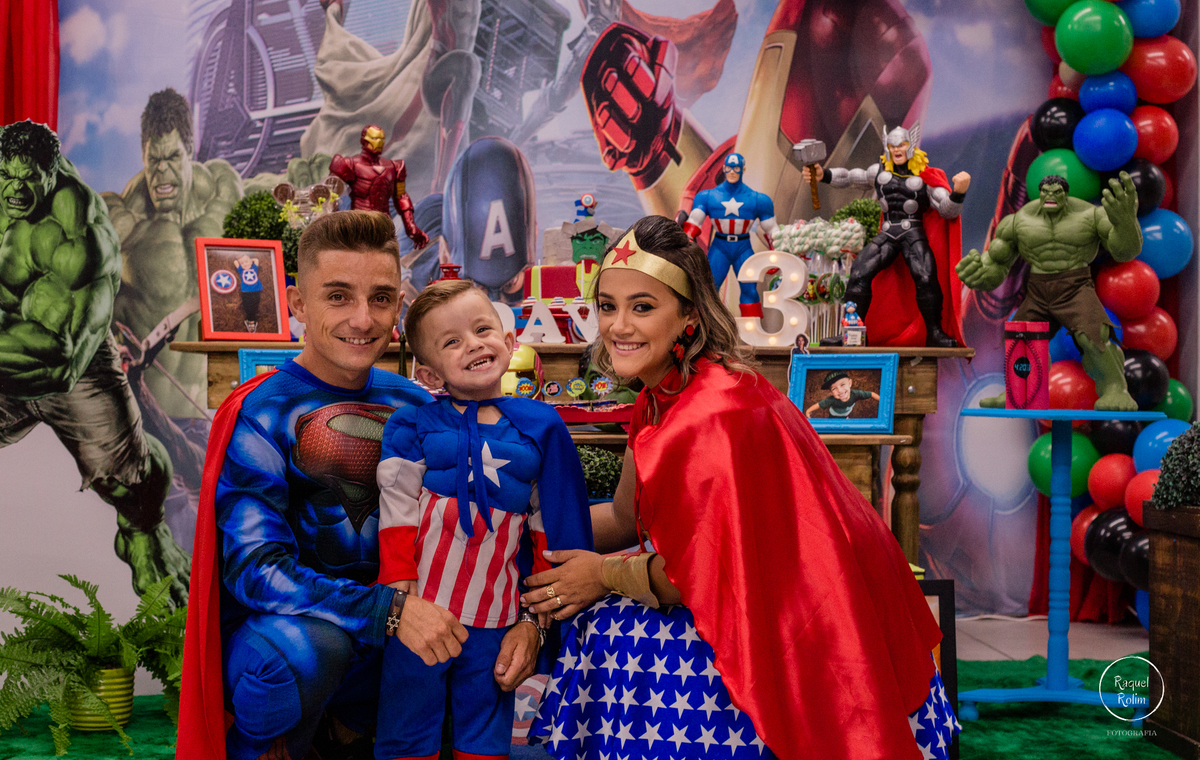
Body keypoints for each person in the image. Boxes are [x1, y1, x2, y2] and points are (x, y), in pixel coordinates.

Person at [522, 215, 959, 759]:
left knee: (617, 636)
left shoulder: (712, 410)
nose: (619, 326)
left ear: (689, 315)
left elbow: (695, 574)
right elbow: (622, 517)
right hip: (767, 595)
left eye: (642, 307)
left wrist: (602, 575)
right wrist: (525, 531)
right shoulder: (660, 395)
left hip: (808, 622)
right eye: (608, 307)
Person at [178, 211, 526, 760]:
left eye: (381, 298)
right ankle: (275, 744)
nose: (363, 320)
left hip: (407, 637)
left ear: (399, 305)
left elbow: (496, 520)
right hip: (304, 639)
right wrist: (387, 610)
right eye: (338, 296)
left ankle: (360, 731)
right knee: (301, 652)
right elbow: (254, 568)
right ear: (298, 304)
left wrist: (532, 615)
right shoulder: (261, 412)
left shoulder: (421, 405)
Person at [373, 280, 593, 758]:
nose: (473, 344)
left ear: (509, 342)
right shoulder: (412, 425)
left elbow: (549, 525)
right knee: (406, 727)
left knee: (484, 735)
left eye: (482, 330)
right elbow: (397, 502)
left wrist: (537, 612)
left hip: (496, 617)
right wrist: (397, 578)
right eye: (452, 341)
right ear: (429, 373)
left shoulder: (540, 427)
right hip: (421, 612)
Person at [0, 120, 189, 607]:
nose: (16, 190)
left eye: (29, 179)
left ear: (50, 173)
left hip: (73, 361)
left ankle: (145, 530)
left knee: (127, 479)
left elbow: (59, 357)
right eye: (6, 177)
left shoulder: (77, 228)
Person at [103, 87, 243, 422]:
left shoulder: (223, 193)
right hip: (149, 421)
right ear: (142, 156)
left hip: (219, 415)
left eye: (172, 158)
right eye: (153, 160)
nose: (162, 171)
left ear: (189, 151)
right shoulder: (120, 222)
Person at [956, 173, 1140, 410]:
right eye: (1046, 192)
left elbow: (1124, 252)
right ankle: (1020, 393)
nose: (1050, 196)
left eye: (1057, 192)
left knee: (1093, 335)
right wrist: (981, 276)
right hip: (1038, 288)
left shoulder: (1090, 215)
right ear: (1040, 193)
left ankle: (1116, 388)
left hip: (1075, 286)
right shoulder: (1019, 221)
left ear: (1066, 194)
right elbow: (997, 265)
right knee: (1022, 336)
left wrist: (1126, 225)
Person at [803, 124, 969, 347]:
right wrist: (823, 175)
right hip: (888, 234)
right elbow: (851, 177)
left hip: (913, 232)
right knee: (858, 273)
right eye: (892, 146)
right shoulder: (879, 172)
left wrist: (959, 193)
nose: (897, 149)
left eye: (901, 145)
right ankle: (852, 334)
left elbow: (948, 210)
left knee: (926, 276)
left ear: (911, 145)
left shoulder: (925, 177)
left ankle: (934, 333)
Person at [683, 152, 778, 318]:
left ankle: (751, 328)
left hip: (743, 247)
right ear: (724, 168)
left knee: (749, 290)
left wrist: (776, 251)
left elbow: (772, 230)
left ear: (743, 169)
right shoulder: (708, 197)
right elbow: (694, 221)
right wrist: (686, 240)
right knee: (709, 288)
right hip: (720, 246)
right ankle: (708, 327)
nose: (732, 172)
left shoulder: (758, 199)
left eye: (736, 168)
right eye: (729, 168)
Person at [806, 370, 880, 418]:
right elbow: (819, 405)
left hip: (846, 415)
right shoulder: (831, 400)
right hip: (833, 416)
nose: (840, 390)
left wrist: (882, 401)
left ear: (850, 383)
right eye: (834, 388)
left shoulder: (856, 394)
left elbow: (871, 394)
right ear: (830, 392)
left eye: (842, 385)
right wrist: (808, 411)